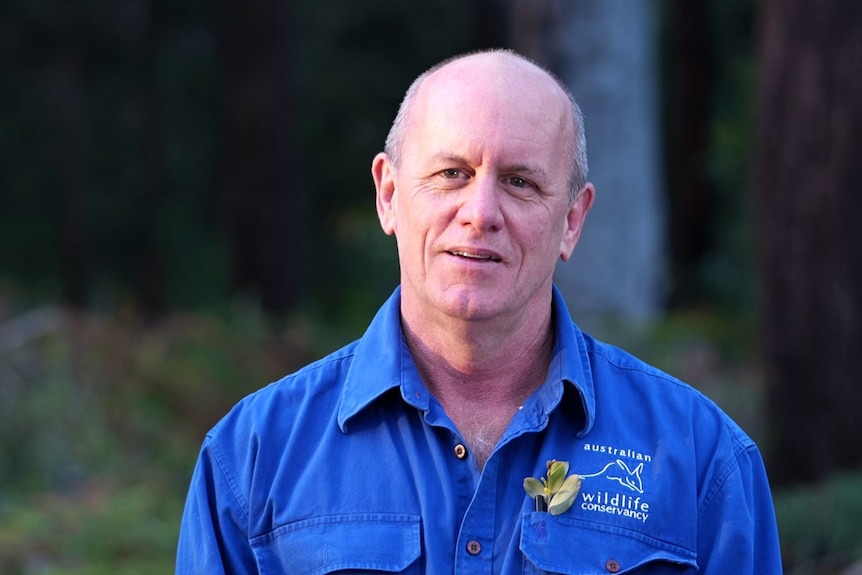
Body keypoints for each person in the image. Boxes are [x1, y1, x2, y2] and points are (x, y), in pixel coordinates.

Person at [176, 49, 782, 574]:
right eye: (451, 173)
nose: (480, 211)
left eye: (520, 182)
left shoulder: (704, 461)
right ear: (389, 194)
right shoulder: (252, 458)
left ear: (572, 221)